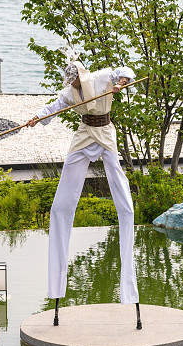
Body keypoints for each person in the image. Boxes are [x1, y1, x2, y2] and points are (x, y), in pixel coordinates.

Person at [27, 49, 141, 328]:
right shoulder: (69, 93)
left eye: (75, 79)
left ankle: (126, 212)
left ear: (81, 74)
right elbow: (53, 107)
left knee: (118, 182)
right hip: (84, 133)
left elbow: (126, 71)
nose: (73, 84)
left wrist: (120, 84)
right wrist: (37, 118)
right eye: (71, 81)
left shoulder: (102, 78)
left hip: (105, 132)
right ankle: (61, 211)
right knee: (67, 177)